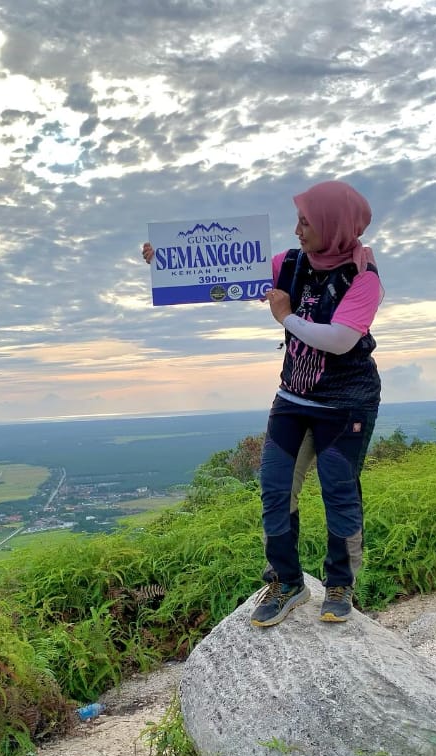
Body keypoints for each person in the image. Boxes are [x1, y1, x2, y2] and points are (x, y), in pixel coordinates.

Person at [142, 180, 383, 628]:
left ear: (333, 225)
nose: (297, 230)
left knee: (339, 490)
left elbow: (341, 339)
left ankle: (340, 584)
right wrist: (167, 262)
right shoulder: (290, 264)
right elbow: (226, 272)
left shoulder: (362, 280)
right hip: (293, 397)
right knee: (274, 488)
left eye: (306, 222)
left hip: (346, 404)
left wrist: (286, 316)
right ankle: (287, 582)